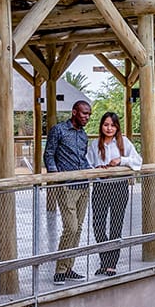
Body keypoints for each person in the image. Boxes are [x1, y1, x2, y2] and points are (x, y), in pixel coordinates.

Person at [86, 111, 142, 276]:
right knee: (98, 227)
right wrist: (96, 171)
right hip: (100, 188)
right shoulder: (95, 144)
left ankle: (111, 264)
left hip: (119, 187)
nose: (109, 128)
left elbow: (138, 161)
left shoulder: (123, 142)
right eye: (106, 125)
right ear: (101, 126)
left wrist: (121, 160)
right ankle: (104, 260)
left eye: (112, 125)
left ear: (117, 127)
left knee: (115, 226)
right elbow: (87, 163)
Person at [44, 100, 93, 284]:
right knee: (70, 228)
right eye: (84, 114)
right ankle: (59, 270)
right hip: (66, 186)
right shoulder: (58, 130)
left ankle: (69, 267)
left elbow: (82, 158)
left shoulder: (83, 135)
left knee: (78, 229)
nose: (87, 117)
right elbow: (49, 154)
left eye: (89, 114)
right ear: (74, 112)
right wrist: (55, 175)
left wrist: (94, 172)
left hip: (83, 185)